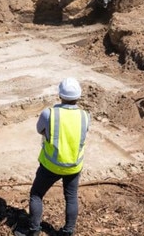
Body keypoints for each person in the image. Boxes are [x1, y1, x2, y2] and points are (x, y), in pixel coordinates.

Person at [15, 78, 91, 236]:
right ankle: (68, 231)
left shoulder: (49, 114)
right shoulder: (85, 116)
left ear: (60, 95)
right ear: (79, 96)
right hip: (74, 166)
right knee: (71, 197)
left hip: (51, 165)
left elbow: (39, 129)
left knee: (36, 194)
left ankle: (34, 230)